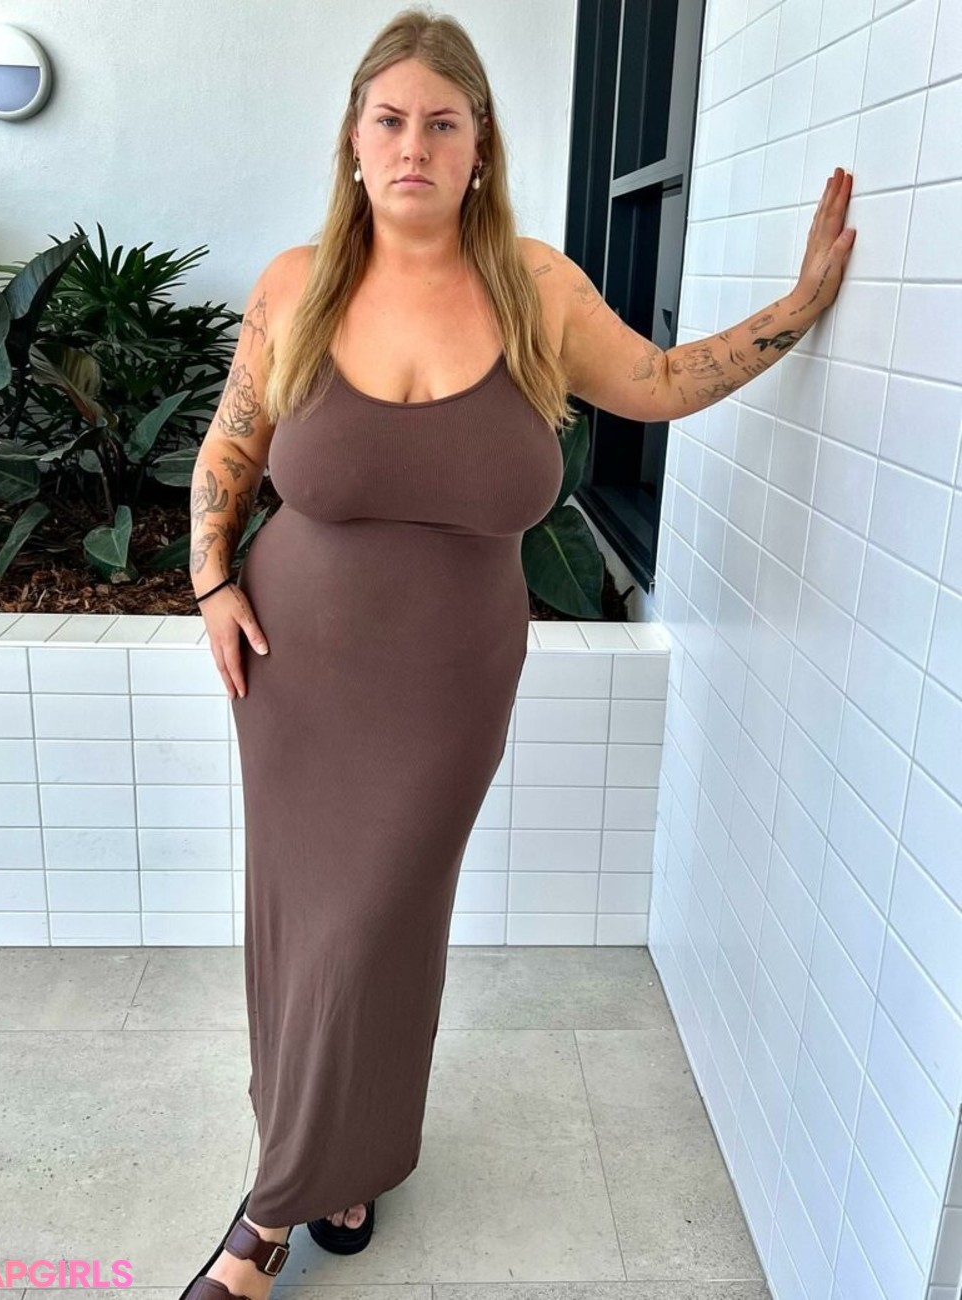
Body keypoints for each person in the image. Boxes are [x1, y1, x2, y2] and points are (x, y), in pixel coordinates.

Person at [183, 9, 856, 1300]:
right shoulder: (297, 282)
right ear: (354, 140)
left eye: (443, 122)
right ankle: (323, 1175)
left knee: (381, 923)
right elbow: (232, 445)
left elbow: (660, 382)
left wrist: (799, 307)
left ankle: (268, 1216)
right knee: (311, 928)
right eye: (390, 120)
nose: (414, 146)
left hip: (448, 686)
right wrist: (212, 577)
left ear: (480, 145)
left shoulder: (534, 290)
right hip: (296, 670)